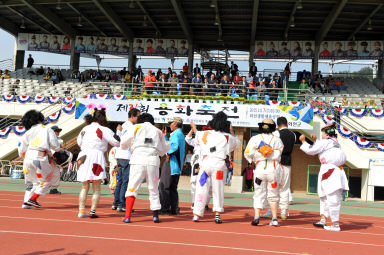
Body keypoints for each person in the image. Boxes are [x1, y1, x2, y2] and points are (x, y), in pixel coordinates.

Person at [190, 112, 240, 223]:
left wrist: (193, 127)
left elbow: (197, 135)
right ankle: (217, 214)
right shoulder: (227, 137)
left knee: (201, 187)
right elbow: (237, 144)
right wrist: (231, 130)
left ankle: (197, 214)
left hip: (205, 164)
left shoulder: (205, 133)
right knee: (218, 189)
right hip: (218, 166)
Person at [120, 113, 170, 223]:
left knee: (132, 187)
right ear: (152, 121)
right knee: (153, 188)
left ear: (140, 120)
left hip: (138, 159)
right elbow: (165, 149)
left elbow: (123, 143)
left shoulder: (136, 127)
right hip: (153, 160)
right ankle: (155, 216)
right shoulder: (158, 131)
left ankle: (127, 216)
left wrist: (129, 145)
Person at [299, 124, 349, 231]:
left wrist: (303, 141)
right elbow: (323, 149)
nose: (321, 135)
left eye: (322, 133)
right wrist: (316, 141)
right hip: (330, 169)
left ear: (326, 134)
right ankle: (323, 219)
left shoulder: (326, 142)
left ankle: (335, 224)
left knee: (332, 197)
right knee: (324, 196)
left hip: (330, 170)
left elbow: (311, 150)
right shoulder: (335, 143)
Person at [76, 109, 120, 218]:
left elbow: (79, 142)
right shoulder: (105, 129)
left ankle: (81, 211)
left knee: (84, 186)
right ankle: (92, 211)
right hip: (96, 156)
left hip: (83, 156)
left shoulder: (85, 128)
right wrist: (118, 132)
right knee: (96, 187)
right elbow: (116, 142)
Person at [244, 118, 283, 227]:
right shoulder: (277, 140)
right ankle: (274, 218)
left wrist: (251, 161)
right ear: (272, 127)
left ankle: (256, 217)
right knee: (273, 194)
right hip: (273, 169)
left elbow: (247, 153)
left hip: (260, 168)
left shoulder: (254, 138)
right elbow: (280, 152)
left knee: (258, 193)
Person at [18, 110, 61, 208]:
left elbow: (21, 149)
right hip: (39, 156)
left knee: (31, 182)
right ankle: (33, 199)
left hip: (28, 157)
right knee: (46, 180)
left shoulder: (27, 132)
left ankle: (26, 202)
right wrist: (56, 149)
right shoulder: (47, 129)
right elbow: (55, 145)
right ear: (39, 119)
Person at [262, 117, 296, 220]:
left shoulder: (276, 134)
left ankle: (270, 211)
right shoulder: (293, 135)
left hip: (277, 163)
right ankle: (284, 211)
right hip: (288, 164)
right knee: (285, 188)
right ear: (287, 124)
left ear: (277, 125)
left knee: (272, 188)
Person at [112, 108, 140, 212]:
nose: (138, 118)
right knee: (126, 181)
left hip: (120, 155)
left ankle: (116, 202)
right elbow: (124, 140)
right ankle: (122, 204)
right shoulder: (131, 127)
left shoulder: (124, 125)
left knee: (121, 180)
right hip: (126, 155)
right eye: (137, 116)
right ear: (132, 116)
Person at [159, 117, 185, 215]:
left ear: (176, 124)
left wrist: (168, 154)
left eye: (171, 123)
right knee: (172, 188)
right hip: (176, 165)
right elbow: (173, 145)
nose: (170, 125)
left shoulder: (176, 134)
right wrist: (165, 137)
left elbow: (174, 148)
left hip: (171, 163)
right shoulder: (179, 134)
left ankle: (164, 209)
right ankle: (174, 209)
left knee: (164, 186)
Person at [49, 126, 64, 194]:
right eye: (56, 131)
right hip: (48, 158)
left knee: (56, 173)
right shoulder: (47, 139)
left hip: (56, 160)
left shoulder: (60, 140)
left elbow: (63, 148)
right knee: (46, 173)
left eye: (58, 131)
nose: (58, 132)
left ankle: (54, 188)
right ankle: (38, 187)